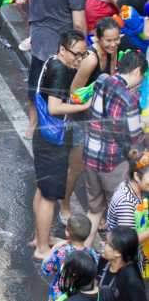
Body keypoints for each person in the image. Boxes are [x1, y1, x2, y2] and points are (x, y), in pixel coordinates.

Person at [31, 30, 90, 260]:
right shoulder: (59, 70)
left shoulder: (52, 62)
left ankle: (41, 238)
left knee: (42, 189)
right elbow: (55, 108)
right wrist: (83, 107)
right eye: (76, 54)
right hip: (52, 140)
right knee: (49, 196)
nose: (79, 59)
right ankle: (42, 248)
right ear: (63, 50)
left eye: (83, 55)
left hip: (44, 135)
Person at [26, 0, 90, 140]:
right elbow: (79, 22)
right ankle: (52, 129)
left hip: (38, 39)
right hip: (62, 47)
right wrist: (83, 51)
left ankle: (32, 125)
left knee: (35, 84)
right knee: (57, 90)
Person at [84, 50, 146, 247]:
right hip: (113, 164)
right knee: (118, 217)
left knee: (94, 210)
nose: (141, 80)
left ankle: (82, 252)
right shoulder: (130, 99)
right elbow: (135, 140)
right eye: (142, 76)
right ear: (137, 71)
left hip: (90, 156)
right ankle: (113, 262)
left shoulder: (102, 80)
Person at [62, 17, 120, 223]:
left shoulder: (111, 54)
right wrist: (91, 102)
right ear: (98, 38)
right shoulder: (91, 59)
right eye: (108, 41)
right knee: (77, 165)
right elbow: (74, 91)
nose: (113, 44)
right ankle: (65, 205)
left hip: (99, 117)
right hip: (81, 116)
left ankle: (99, 212)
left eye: (116, 40)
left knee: (98, 165)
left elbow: (111, 78)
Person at [41, 214, 99, 301]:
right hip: (81, 293)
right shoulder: (93, 254)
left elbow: (46, 268)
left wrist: (53, 249)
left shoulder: (61, 252)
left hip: (60, 292)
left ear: (67, 232)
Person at [99, 227, 147, 301]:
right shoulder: (104, 261)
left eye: (107, 243)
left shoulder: (132, 282)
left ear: (117, 253)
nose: (102, 244)